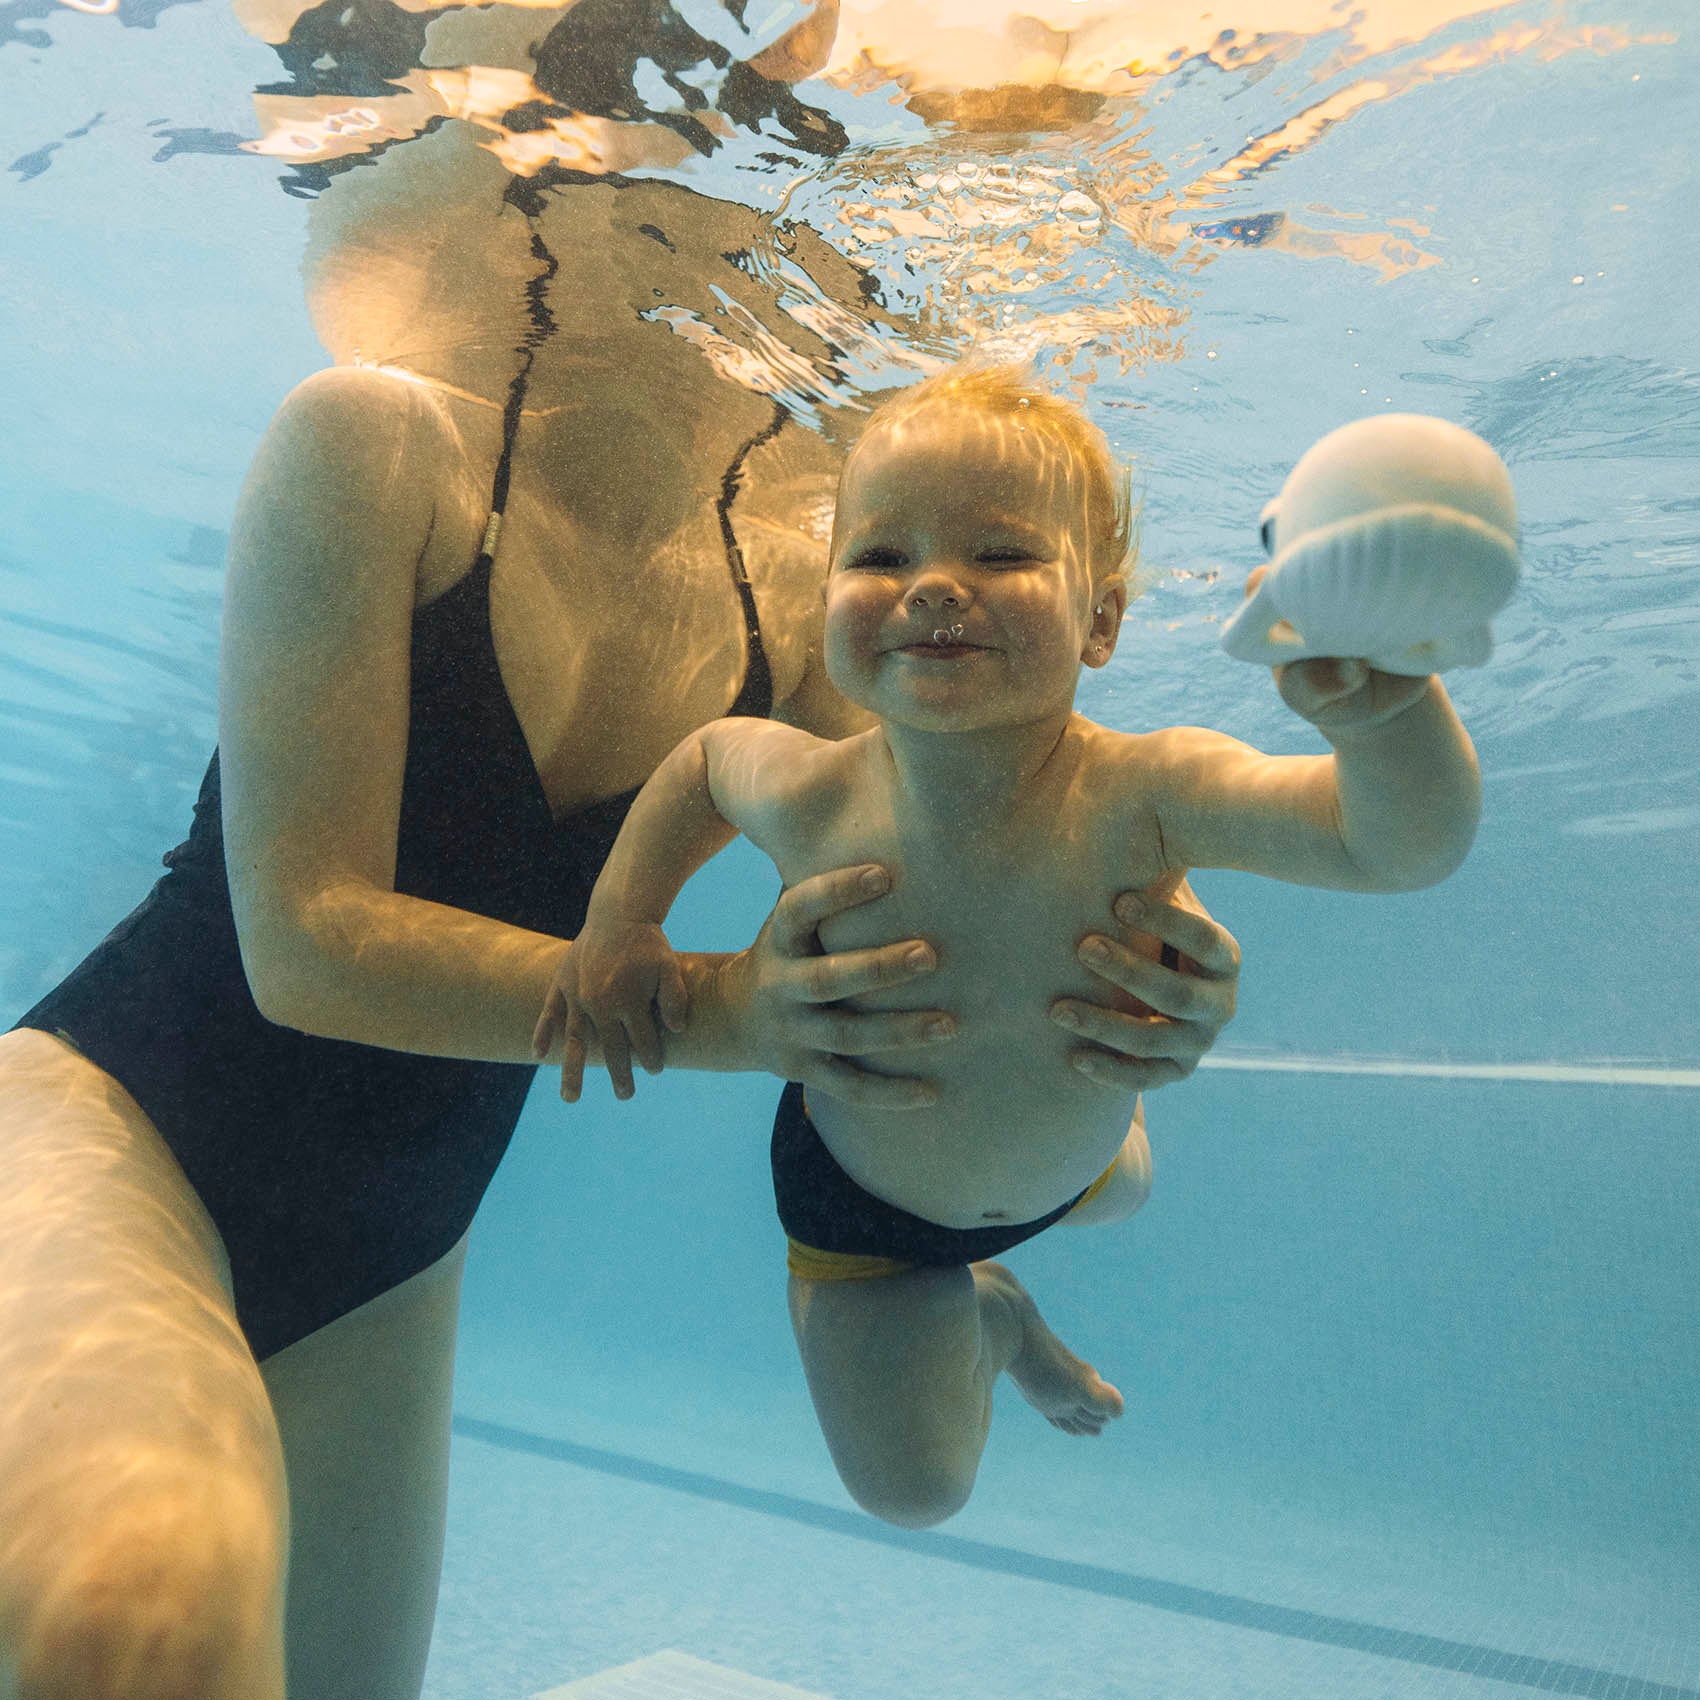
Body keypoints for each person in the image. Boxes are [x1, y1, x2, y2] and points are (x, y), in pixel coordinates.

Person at [0, 130, 1246, 1700]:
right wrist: (742, 1011)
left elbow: (944, 930)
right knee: (142, 1616)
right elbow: (304, 943)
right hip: (120, 1119)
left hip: (401, 1240)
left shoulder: (797, 598)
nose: (708, 297)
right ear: (547, 220)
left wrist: (1143, 975)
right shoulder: (376, 439)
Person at [535, 359, 1482, 1531]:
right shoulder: (811, 786)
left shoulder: (1149, 787)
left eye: (998, 554)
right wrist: (619, 924)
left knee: (1117, 1185)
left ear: (1101, 618)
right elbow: (699, 765)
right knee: (915, 1491)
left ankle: (1048, 1217)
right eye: (879, 556)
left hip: (1071, 1164)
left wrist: (1383, 713)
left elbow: (1389, 844)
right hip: (863, 1209)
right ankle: (992, 1314)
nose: (932, 585)